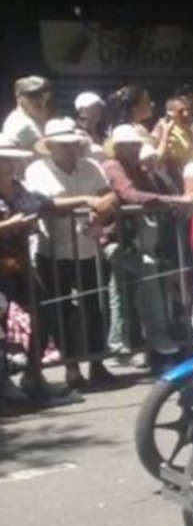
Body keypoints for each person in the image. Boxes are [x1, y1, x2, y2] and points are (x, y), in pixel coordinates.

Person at [24, 119, 119, 390]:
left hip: (87, 247)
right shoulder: (37, 170)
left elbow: (109, 195)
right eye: (64, 144)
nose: (71, 148)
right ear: (50, 145)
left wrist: (102, 206)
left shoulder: (90, 166)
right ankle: (72, 367)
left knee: (94, 307)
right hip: (52, 250)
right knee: (61, 310)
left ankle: (98, 362)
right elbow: (43, 203)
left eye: (73, 143)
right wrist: (85, 201)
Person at [99, 125, 187, 361]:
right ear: (117, 147)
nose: (134, 148)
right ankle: (157, 334)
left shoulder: (138, 168)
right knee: (146, 270)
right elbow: (130, 195)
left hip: (135, 239)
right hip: (115, 240)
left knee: (120, 291)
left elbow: (156, 191)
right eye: (129, 145)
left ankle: (119, 343)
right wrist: (173, 200)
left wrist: (158, 175)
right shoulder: (113, 167)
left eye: (136, 144)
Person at [0, 136, 55, 403]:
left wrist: (89, 199)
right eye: (3, 160)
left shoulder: (23, 193)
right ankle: (3, 384)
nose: (8, 165)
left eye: (11, 160)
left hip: (19, 265)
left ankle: (33, 374)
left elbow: (51, 204)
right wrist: (8, 225)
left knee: (43, 312)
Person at [3, 76, 52, 151]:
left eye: (41, 94)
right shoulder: (17, 123)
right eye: (32, 95)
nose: (38, 99)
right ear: (19, 97)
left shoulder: (36, 115)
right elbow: (41, 151)